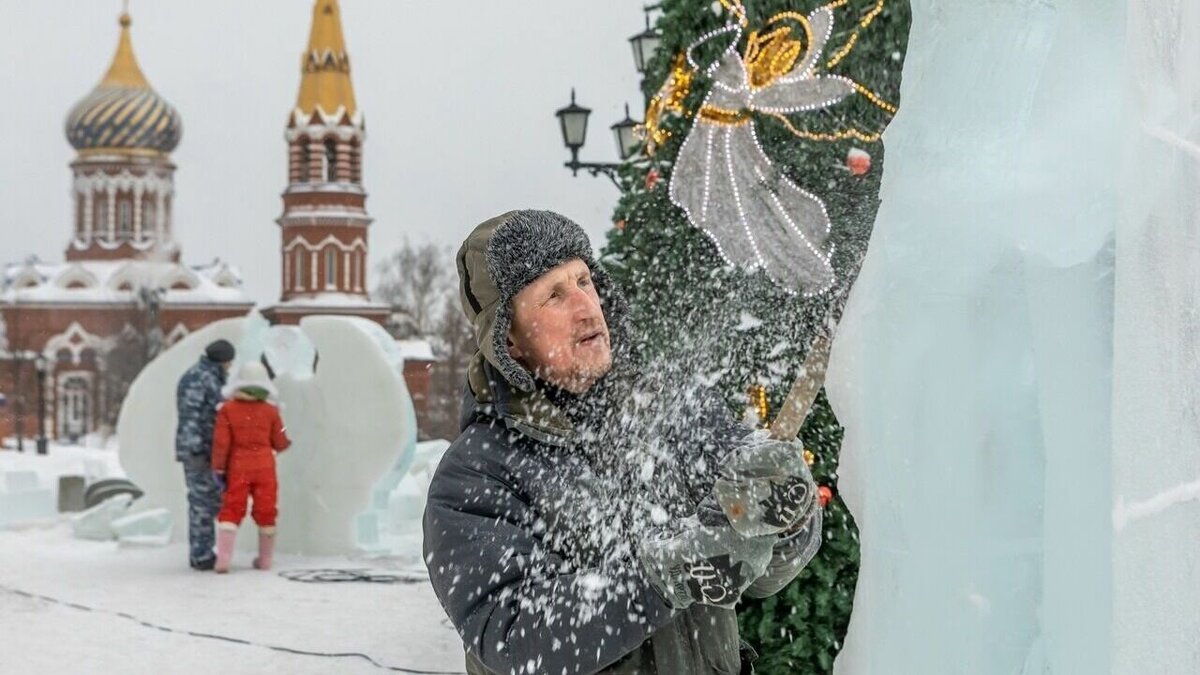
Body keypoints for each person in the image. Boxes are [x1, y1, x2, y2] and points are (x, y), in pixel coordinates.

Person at [423, 210, 822, 675]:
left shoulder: (675, 411)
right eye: (553, 295)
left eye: (584, 281)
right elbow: (513, 639)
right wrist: (665, 574)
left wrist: (784, 520)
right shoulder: (476, 474)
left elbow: (760, 578)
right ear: (509, 340)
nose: (587, 306)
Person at [210, 361, 290, 573]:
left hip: (238, 467)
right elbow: (281, 440)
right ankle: (265, 560)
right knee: (266, 510)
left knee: (232, 509)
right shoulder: (272, 411)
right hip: (265, 467)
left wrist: (218, 468)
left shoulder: (227, 410)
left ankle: (224, 559)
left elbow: (221, 443)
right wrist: (281, 441)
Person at [175, 339, 235, 570]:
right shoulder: (209, 379)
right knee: (203, 503)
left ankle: (201, 551)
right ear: (223, 360)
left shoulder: (193, 374)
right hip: (200, 448)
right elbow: (207, 415)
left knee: (201, 501)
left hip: (192, 447)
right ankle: (201, 555)